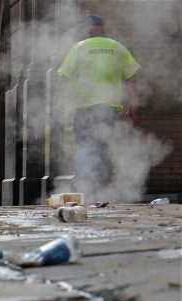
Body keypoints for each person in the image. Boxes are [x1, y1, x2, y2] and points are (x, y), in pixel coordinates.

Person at [57, 14, 140, 199]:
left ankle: (87, 191)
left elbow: (63, 79)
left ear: (87, 29)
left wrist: (59, 105)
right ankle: (100, 191)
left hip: (83, 108)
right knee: (102, 148)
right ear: (102, 28)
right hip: (107, 109)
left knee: (85, 147)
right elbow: (131, 79)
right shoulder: (118, 48)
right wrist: (132, 105)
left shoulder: (79, 48)